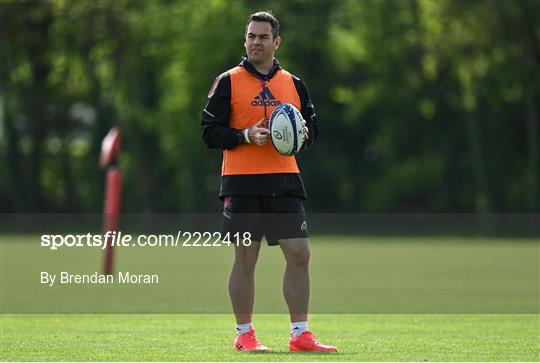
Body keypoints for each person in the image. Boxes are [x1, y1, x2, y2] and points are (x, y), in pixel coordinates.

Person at [201, 10, 337, 353]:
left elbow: (312, 128)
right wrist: (245, 135)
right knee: (246, 257)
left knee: (300, 254)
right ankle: (244, 334)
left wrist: (302, 135)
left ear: (276, 42)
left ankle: (300, 334)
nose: (255, 42)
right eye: (250, 36)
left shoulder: (294, 83)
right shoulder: (228, 81)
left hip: (285, 179)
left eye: (262, 37)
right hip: (242, 182)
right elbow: (209, 133)